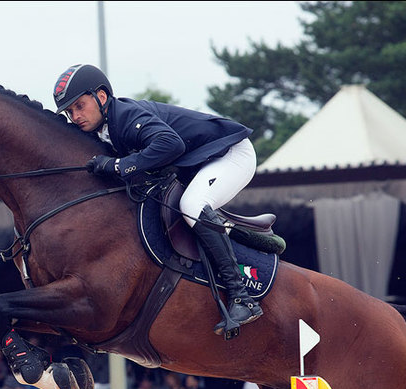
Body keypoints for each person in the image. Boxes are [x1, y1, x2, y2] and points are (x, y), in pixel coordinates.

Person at [53, 64, 263, 336]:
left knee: (192, 206)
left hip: (231, 154)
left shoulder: (126, 116)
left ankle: (241, 295)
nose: (76, 116)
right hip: (201, 162)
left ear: (101, 97)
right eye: (70, 112)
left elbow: (170, 145)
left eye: (80, 106)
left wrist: (118, 166)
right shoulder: (105, 130)